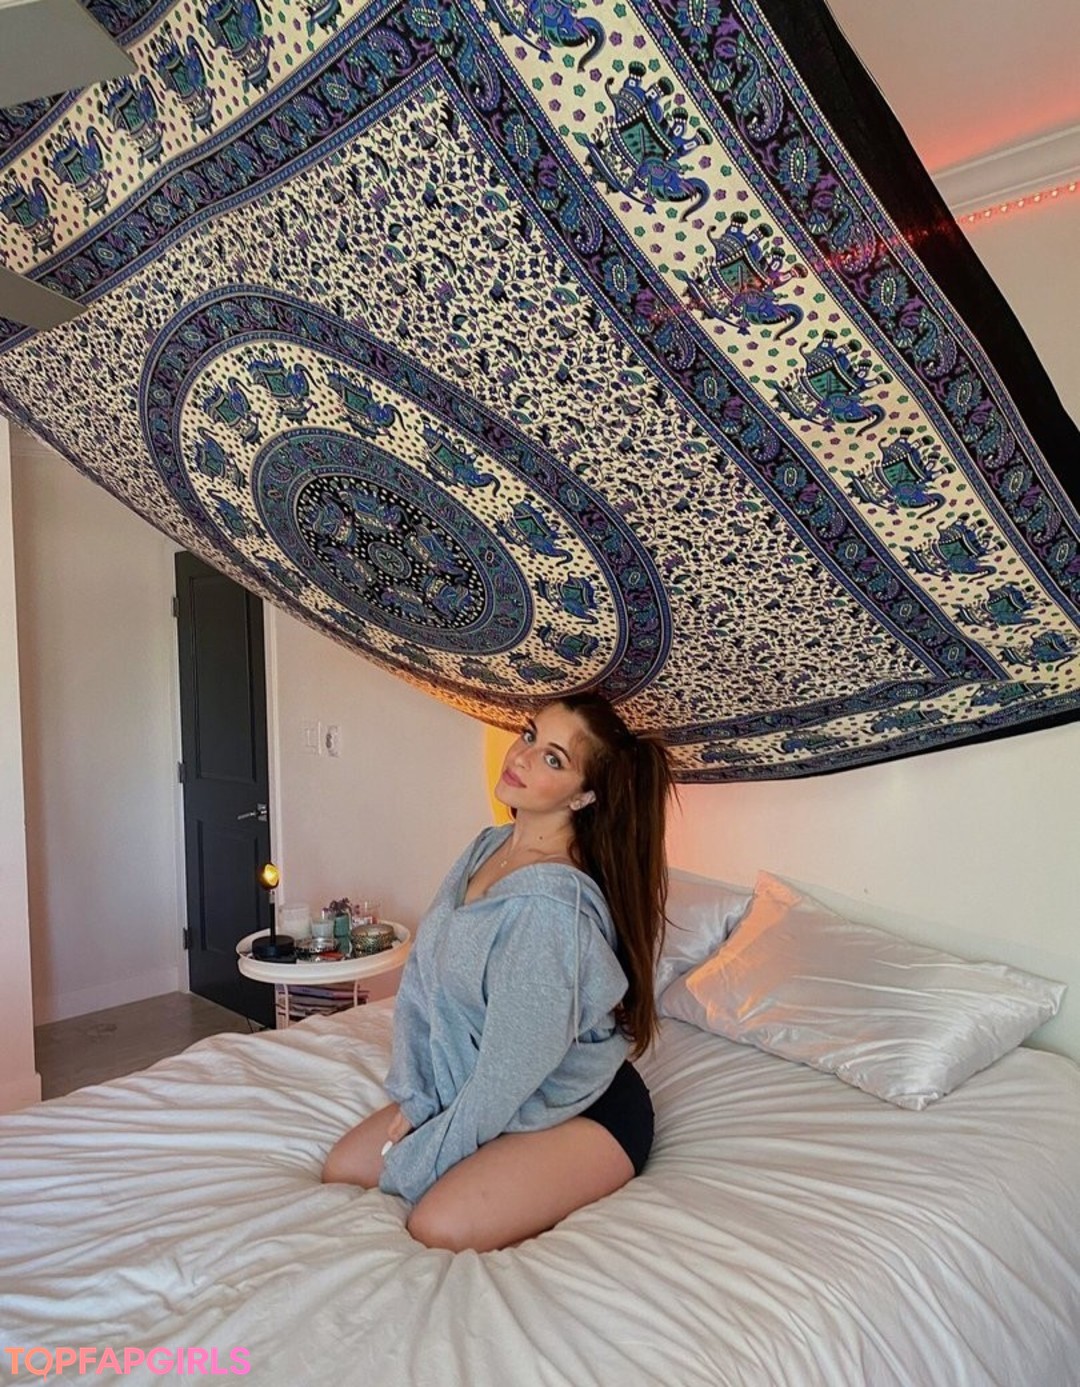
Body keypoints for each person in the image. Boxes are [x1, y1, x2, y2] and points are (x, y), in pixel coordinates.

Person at [322, 692, 674, 1252]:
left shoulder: (552, 911)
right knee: (342, 1168)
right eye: (530, 735)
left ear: (583, 795)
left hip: (579, 1105)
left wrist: (429, 1151)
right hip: (481, 1081)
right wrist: (419, 1098)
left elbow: (509, 1074)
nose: (522, 756)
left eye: (554, 758)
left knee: (435, 1225)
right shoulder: (488, 846)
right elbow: (423, 985)